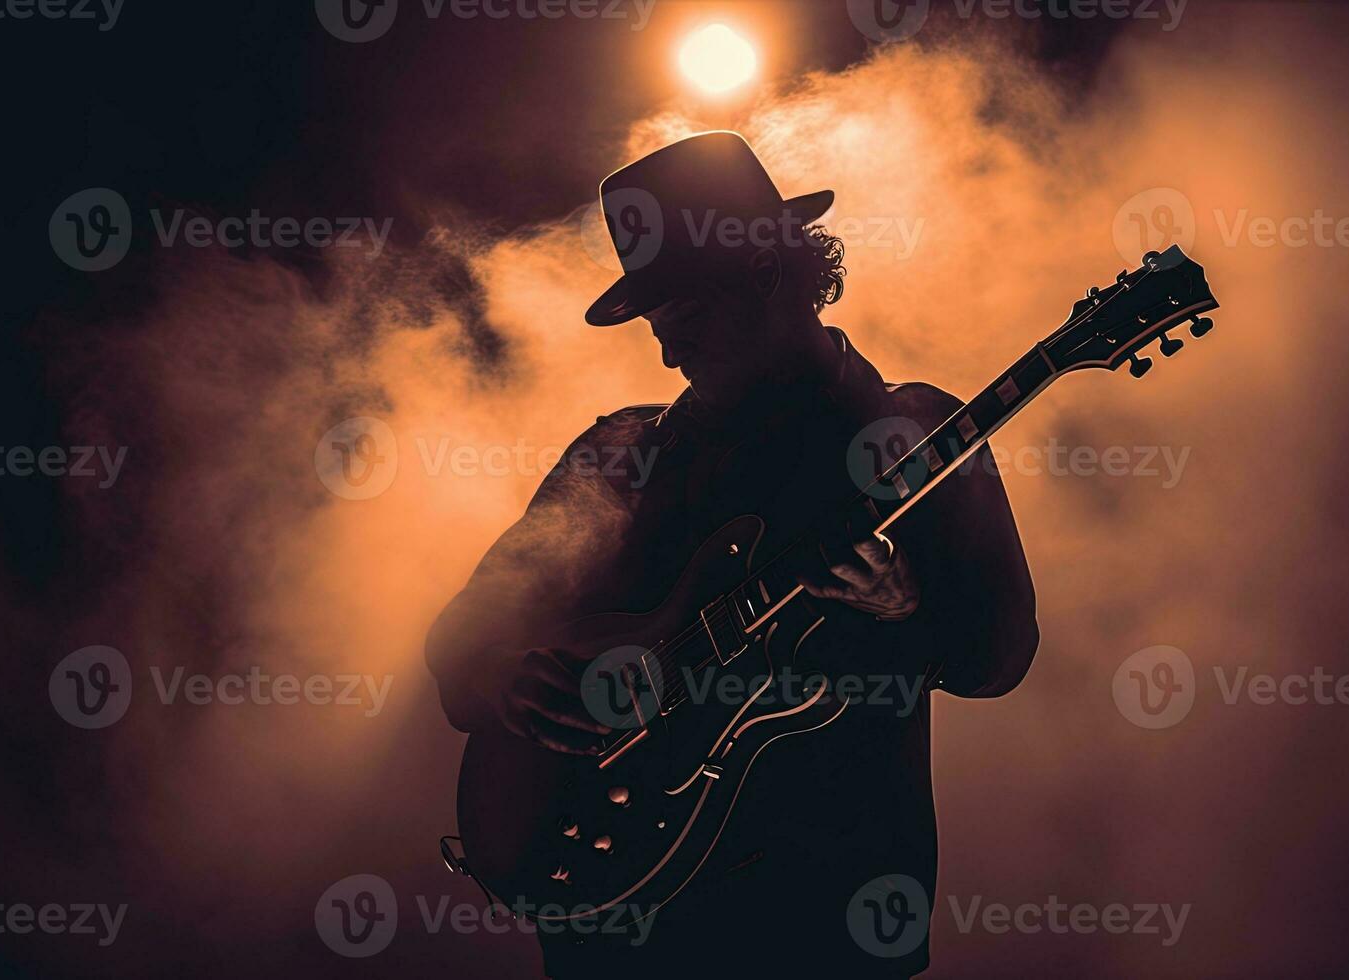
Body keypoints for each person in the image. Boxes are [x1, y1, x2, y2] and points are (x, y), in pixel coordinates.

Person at [425, 131, 1039, 977]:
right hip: (616, 924)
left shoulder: (909, 433)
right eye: (653, 322)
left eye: (684, 311)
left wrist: (905, 604)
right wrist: (503, 675)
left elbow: (999, 658)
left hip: (820, 922)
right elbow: (461, 637)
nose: (667, 347)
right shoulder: (620, 455)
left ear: (763, 271)